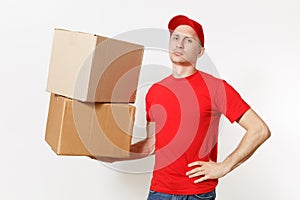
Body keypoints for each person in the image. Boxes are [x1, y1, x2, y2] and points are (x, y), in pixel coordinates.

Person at [94, 15, 271, 200]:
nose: (179, 44)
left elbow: (259, 130)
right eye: (175, 38)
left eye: (188, 40)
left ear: (200, 51)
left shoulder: (216, 88)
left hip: (196, 194)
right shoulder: (155, 91)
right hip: (158, 192)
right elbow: (149, 146)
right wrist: (112, 155)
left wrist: (225, 166)